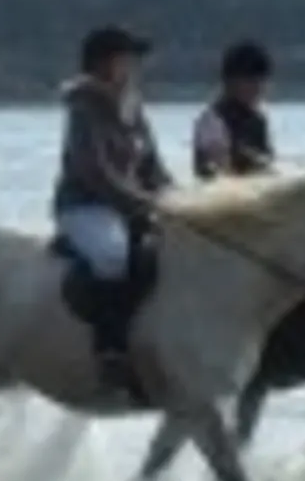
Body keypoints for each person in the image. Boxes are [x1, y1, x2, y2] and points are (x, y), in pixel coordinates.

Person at [51, 24, 174, 396]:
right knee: (112, 255)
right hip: (86, 207)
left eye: (132, 61)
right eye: (126, 60)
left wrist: (177, 199)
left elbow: (152, 166)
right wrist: (140, 202)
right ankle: (110, 350)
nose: (133, 67)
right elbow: (94, 172)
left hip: (131, 207)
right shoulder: (84, 108)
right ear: (102, 64)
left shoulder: (133, 108)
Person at [193, 39, 276, 179]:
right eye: (250, 81)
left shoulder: (258, 121)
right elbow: (216, 172)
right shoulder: (212, 121)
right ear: (230, 82)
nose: (257, 88)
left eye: (260, 82)